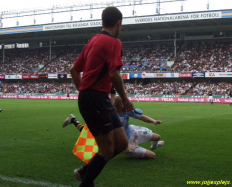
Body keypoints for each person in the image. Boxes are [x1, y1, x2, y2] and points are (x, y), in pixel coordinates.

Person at [69, 6, 133, 187]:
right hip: (96, 99)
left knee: (121, 144)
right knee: (106, 149)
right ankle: (86, 183)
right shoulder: (114, 42)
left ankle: (84, 171)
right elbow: (114, 74)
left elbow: (74, 70)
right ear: (119, 23)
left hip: (98, 99)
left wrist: (84, 91)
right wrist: (125, 99)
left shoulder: (93, 41)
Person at [63, 96, 165, 159]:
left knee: (157, 137)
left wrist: (154, 121)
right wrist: (125, 146)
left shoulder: (127, 110)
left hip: (132, 132)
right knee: (152, 156)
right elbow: (111, 136)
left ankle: (154, 146)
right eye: (126, 101)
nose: (129, 103)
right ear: (121, 105)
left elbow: (142, 117)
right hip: (122, 141)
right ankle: (73, 120)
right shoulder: (111, 117)